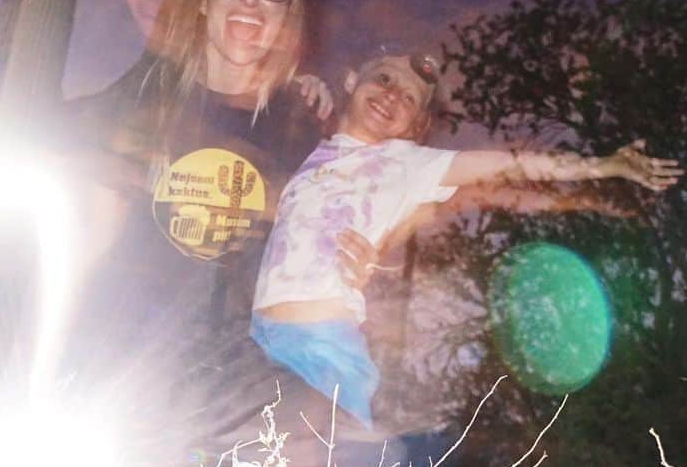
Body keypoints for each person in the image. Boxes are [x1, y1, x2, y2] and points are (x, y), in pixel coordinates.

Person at [62, 0, 379, 467]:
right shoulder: (137, 102)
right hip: (133, 374)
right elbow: (78, 209)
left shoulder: (304, 126)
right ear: (203, 0)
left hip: (248, 387)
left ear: (288, 20)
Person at [251, 51, 682, 428]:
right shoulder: (303, 147)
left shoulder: (406, 163)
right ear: (351, 80)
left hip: (321, 340)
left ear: (416, 126)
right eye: (384, 79)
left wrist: (601, 166)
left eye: (408, 99)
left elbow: (511, 164)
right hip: (255, 335)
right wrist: (295, 84)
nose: (391, 96)